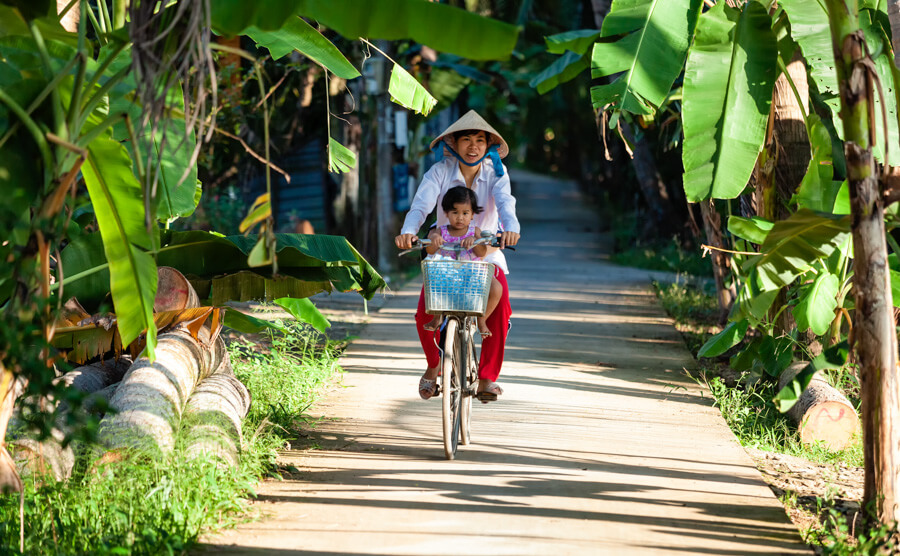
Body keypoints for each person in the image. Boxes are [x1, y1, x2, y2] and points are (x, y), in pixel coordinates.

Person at [394, 110, 520, 402]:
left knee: (501, 309)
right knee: (425, 309)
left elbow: (506, 205)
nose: (473, 146)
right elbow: (420, 206)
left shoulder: (496, 174)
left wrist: (511, 230)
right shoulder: (439, 171)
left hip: (483, 252)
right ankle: (433, 365)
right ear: (453, 142)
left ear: (488, 145)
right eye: (466, 139)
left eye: (480, 140)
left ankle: (487, 377)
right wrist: (408, 231)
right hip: (446, 253)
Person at [421, 186, 503, 339]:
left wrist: (475, 241)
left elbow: (482, 252)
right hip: (449, 274)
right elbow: (430, 251)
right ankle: (437, 318)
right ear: (446, 213)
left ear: (472, 214)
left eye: (465, 213)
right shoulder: (441, 230)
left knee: (496, 288)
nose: (460, 217)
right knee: (434, 282)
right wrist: (434, 240)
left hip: (473, 275)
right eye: (455, 212)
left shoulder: (475, 231)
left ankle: (482, 320)